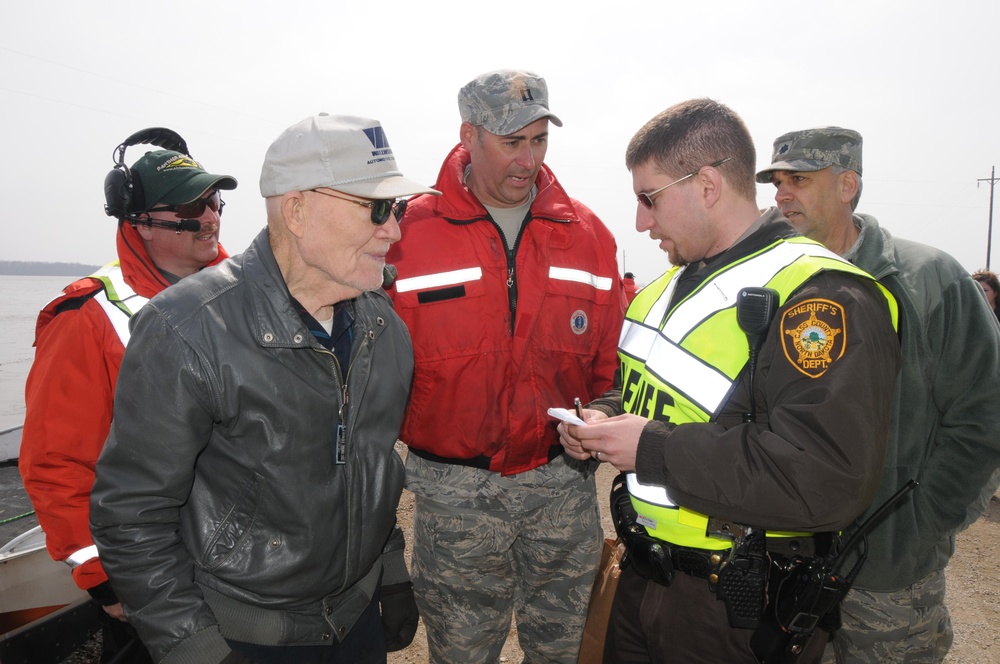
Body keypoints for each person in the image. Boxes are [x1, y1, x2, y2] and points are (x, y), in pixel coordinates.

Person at [558, 99, 902, 663]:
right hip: (644, 574)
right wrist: (600, 419)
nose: (641, 221)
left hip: (734, 607)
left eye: (650, 198)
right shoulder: (659, 291)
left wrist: (650, 447)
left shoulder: (820, 296)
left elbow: (823, 478)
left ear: (708, 185)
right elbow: (659, 397)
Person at [90, 114, 437, 664]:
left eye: (397, 210)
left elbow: (371, 466)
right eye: (375, 208)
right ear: (297, 210)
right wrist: (194, 649)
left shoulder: (383, 329)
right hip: (241, 638)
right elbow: (131, 515)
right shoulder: (188, 329)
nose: (393, 230)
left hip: (355, 624)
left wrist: (389, 573)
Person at [384, 69, 626, 662]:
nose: (529, 159)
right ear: (469, 135)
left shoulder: (588, 233)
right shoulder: (404, 233)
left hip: (561, 491)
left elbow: (613, 369)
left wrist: (601, 415)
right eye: (512, 141)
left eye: (539, 140)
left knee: (569, 652)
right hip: (453, 495)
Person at [757, 127, 1000, 663]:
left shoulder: (928, 279)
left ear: (847, 185)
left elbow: (985, 417)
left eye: (798, 179)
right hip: (786, 566)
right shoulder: (769, 280)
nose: (781, 195)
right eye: (777, 182)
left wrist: (921, 524)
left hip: (889, 576)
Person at [19, 127, 236, 664]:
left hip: (249, 568)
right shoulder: (88, 320)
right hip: (158, 577)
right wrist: (106, 581)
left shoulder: (245, 296)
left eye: (214, 201)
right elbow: (57, 462)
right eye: (191, 204)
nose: (209, 217)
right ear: (137, 219)